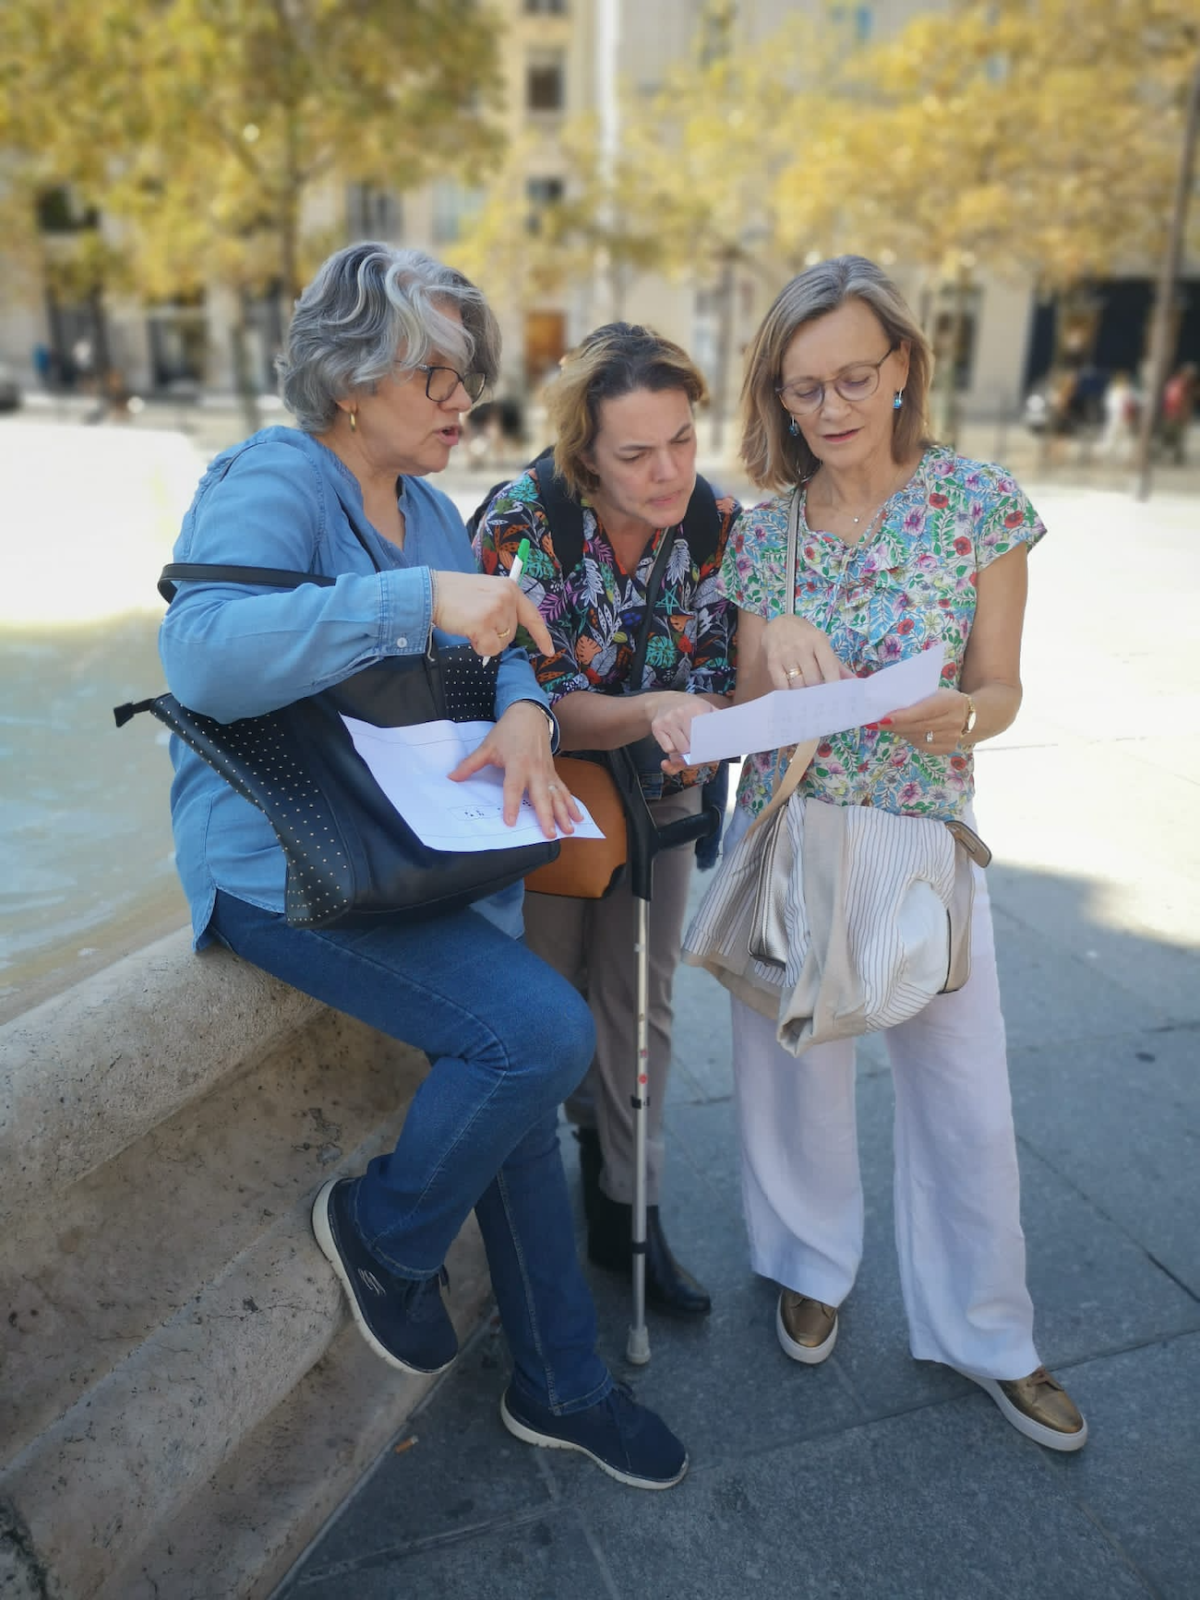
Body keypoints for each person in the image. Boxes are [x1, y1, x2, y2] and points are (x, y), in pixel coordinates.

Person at [158, 242, 688, 1490]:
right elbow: (204, 655)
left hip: (411, 847)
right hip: (289, 862)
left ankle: (563, 1382)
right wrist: (414, 606)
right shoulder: (274, 476)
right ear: (349, 379)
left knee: (509, 1094)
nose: (466, 401)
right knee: (536, 1036)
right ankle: (384, 1227)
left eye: (471, 376)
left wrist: (520, 710)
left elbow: (501, 634)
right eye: (437, 375)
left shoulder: (439, 510)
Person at [717, 255, 1087, 1451]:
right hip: (791, 834)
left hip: (927, 839)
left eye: (852, 379)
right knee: (792, 1074)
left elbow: (1005, 689)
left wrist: (963, 715)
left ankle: (992, 1332)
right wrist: (773, 643)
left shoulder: (979, 504)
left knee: (967, 1098)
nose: (827, 410)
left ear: (904, 370)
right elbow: (737, 714)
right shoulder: (760, 541)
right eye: (801, 388)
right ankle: (809, 1262)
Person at [474, 324, 738, 1318]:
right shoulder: (524, 521)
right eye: (636, 453)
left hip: (659, 791)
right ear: (586, 449)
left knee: (642, 1000)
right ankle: (538, 1206)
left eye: (681, 439)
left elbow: (721, 675)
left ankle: (630, 1213)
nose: (669, 471)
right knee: (546, 998)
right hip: (541, 788)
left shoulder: (713, 522)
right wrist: (654, 710)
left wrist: (712, 710)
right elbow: (528, 699)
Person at [1160, 362, 1196, 465]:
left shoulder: (1186, 386)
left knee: (1179, 438)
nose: (1191, 377)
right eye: (1189, 374)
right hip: (1172, 415)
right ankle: (1173, 456)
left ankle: (1177, 457)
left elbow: (1185, 402)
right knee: (1169, 437)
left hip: (1176, 415)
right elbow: (1174, 400)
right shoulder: (1178, 384)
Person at [1099, 371, 1139, 463]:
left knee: (1125, 437)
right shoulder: (1113, 392)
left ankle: (1127, 455)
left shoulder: (1128, 391)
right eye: (1121, 381)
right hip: (1116, 417)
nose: (1123, 383)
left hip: (1124, 417)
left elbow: (1134, 401)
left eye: (1124, 381)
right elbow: (1110, 405)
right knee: (1111, 435)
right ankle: (1106, 453)